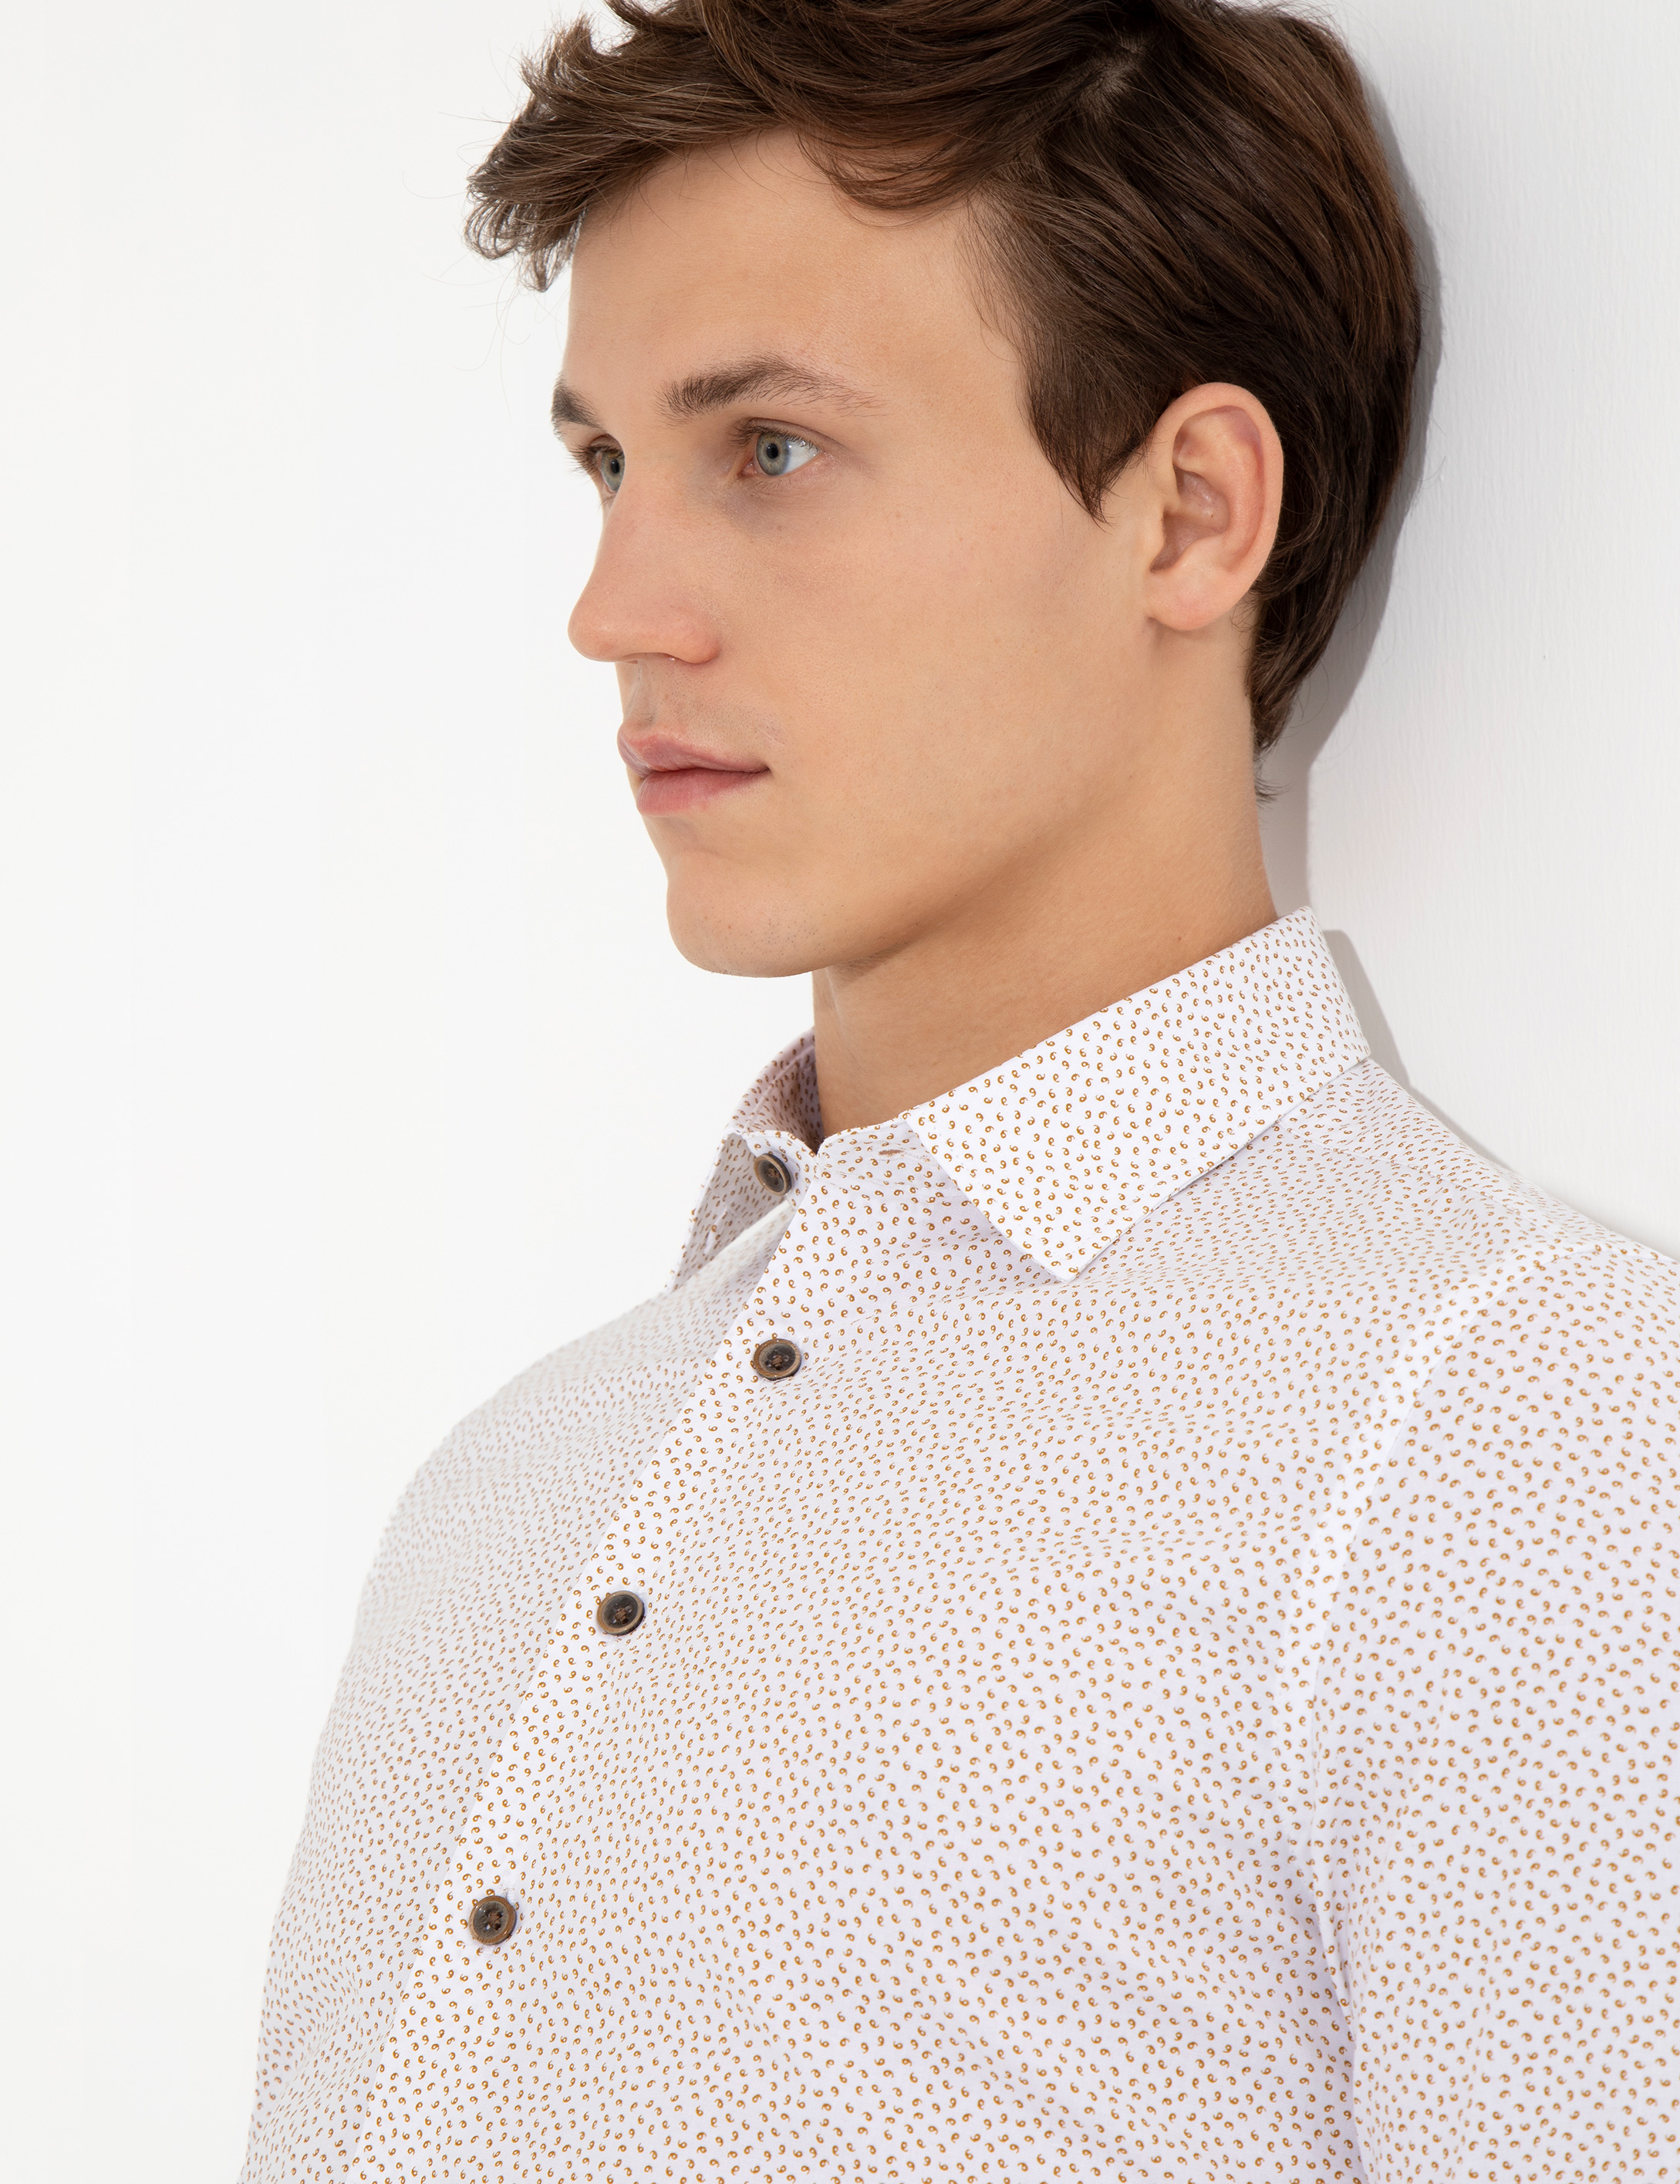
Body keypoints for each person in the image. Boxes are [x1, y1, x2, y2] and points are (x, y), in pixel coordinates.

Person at [242, 1, 1679, 2176]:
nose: (613, 609)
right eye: (607, 464)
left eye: (770, 451)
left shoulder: (1520, 1442)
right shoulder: (512, 1483)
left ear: (1189, 514)